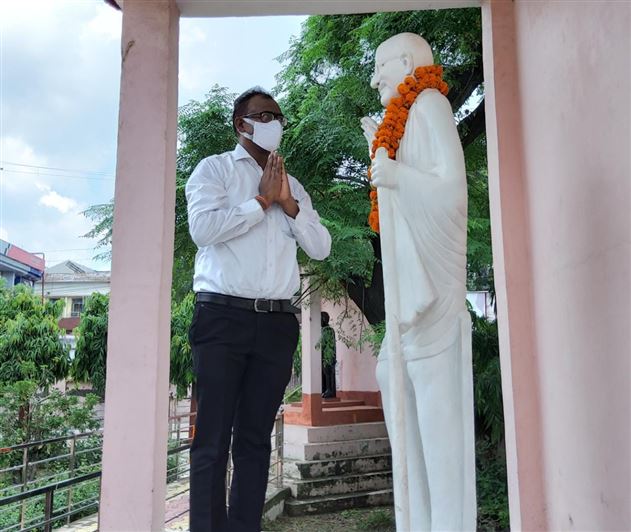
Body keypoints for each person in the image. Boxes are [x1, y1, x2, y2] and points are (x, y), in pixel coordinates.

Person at [186, 86, 331, 532]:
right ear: (241, 124)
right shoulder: (215, 170)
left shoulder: (295, 186)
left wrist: (287, 204)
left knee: (254, 441)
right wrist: (260, 202)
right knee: (212, 440)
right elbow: (203, 229)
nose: (275, 124)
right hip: (222, 318)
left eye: (278, 117)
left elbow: (321, 247)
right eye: (264, 115)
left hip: (275, 325)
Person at [361, 33, 476, 530]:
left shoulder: (428, 103)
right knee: (391, 374)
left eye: (381, 66)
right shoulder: (400, 123)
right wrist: (383, 160)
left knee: (439, 434)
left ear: (407, 63)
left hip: (435, 296)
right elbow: (396, 201)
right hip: (412, 297)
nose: (374, 78)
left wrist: (394, 174)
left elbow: (451, 191)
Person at [320, 312, 336, 399]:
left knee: (328, 373)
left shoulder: (328, 330)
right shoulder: (322, 330)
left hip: (328, 356)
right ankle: (325, 389)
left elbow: (327, 344)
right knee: (323, 373)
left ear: (324, 319)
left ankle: (329, 390)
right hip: (323, 356)